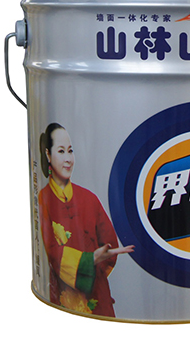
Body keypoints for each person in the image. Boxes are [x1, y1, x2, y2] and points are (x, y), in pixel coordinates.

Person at [38, 123, 134, 317]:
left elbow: (110, 245)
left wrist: (94, 271)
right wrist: (90, 260)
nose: (68, 159)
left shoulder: (89, 199)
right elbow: (52, 253)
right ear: (48, 154)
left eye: (70, 151)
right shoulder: (44, 199)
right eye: (61, 151)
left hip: (99, 297)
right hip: (62, 300)